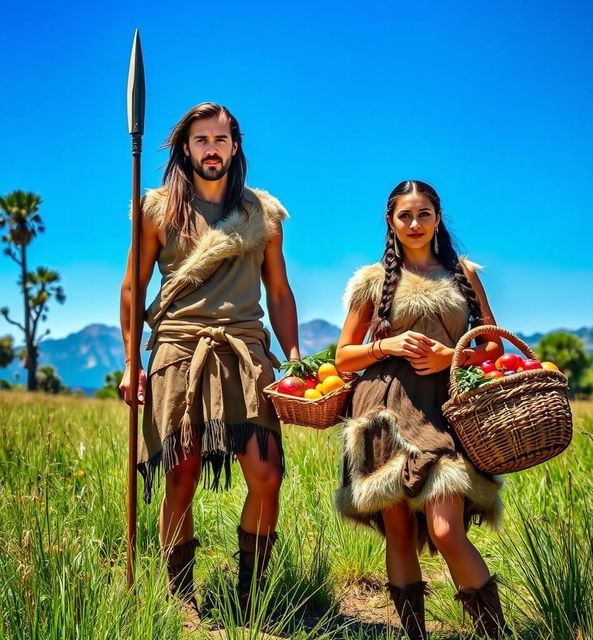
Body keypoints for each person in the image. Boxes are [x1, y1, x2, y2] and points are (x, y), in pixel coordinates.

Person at [119, 102, 299, 628]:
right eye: (202, 140)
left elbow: (281, 293)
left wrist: (292, 359)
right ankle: (180, 598)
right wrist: (132, 362)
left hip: (245, 349)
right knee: (181, 473)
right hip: (177, 349)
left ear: (235, 146)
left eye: (221, 139)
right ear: (186, 148)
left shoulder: (261, 214)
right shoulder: (156, 210)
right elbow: (133, 287)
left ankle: (252, 596)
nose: (212, 149)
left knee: (267, 475)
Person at [334, 180, 509, 639]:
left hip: (444, 410)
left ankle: (496, 634)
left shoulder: (463, 274)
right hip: (383, 413)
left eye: (424, 214)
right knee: (398, 530)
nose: (414, 224)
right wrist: (385, 344)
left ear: (437, 218)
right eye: (405, 216)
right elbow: (343, 356)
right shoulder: (371, 281)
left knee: (446, 528)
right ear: (391, 222)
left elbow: (492, 343)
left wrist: (453, 357)